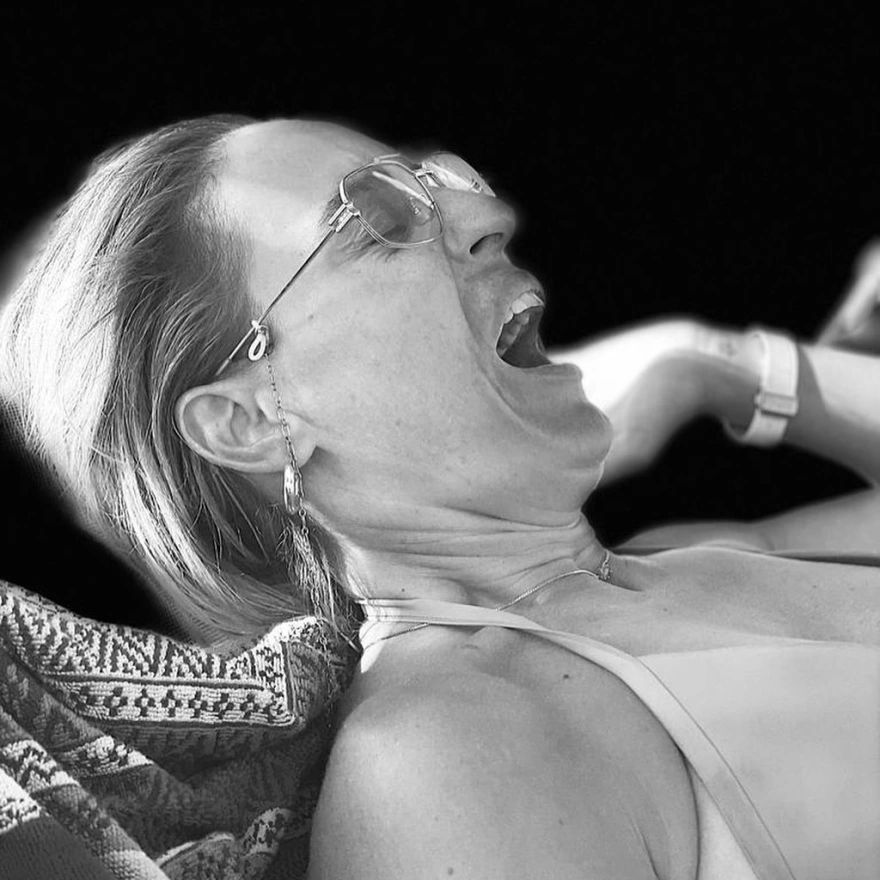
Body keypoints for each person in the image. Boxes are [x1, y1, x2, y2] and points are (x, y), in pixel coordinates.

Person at [0, 115, 877, 880]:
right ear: (252, 420)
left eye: (441, 179)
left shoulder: (693, 560)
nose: (488, 217)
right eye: (378, 217)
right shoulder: (446, 759)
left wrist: (724, 366)